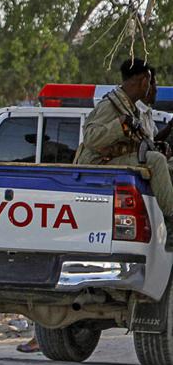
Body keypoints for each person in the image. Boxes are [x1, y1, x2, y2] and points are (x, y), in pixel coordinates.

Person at [74, 58, 173, 237]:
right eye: (149, 82)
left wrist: (157, 145)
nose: (150, 87)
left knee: (166, 161)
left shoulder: (129, 106)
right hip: (97, 165)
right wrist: (120, 125)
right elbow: (90, 138)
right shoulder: (111, 105)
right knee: (156, 161)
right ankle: (172, 218)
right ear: (144, 81)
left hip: (114, 161)